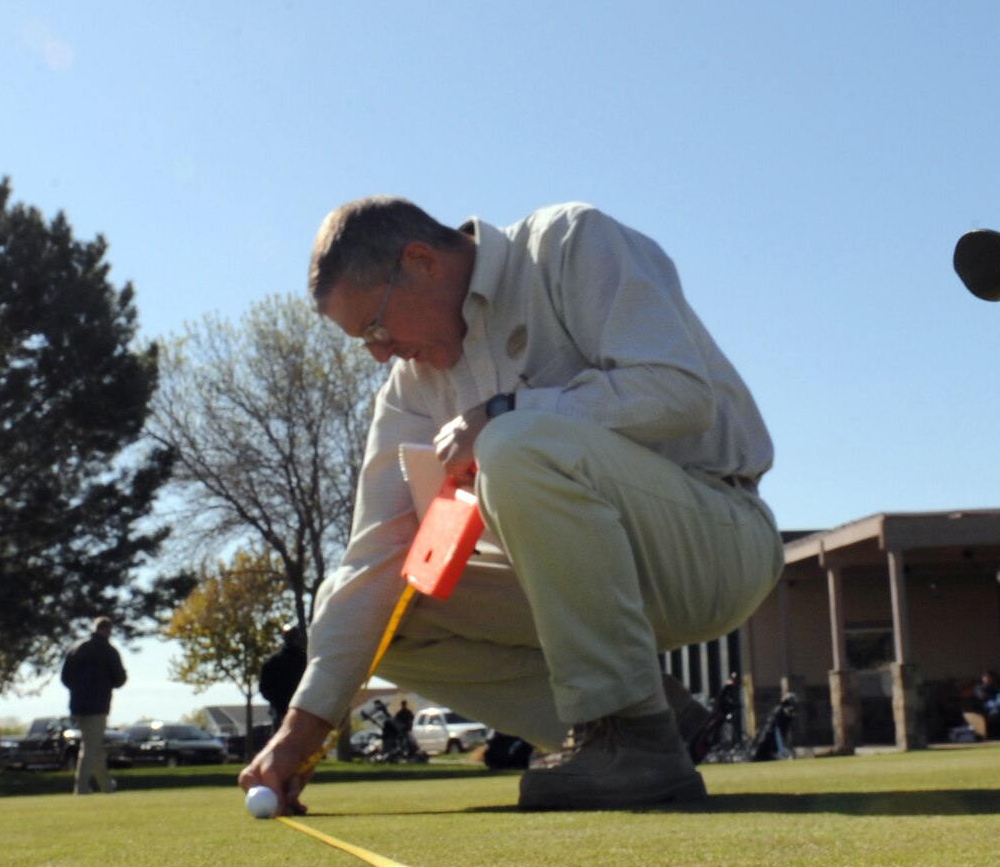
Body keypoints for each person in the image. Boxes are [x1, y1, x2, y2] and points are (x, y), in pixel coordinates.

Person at [240, 198, 783, 814]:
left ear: (420, 262)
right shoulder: (408, 393)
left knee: (511, 443)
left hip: (716, 542)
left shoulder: (569, 244)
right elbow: (376, 559)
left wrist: (505, 414)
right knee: (362, 608)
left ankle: (629, 731)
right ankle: (654, 721)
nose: (378, 354)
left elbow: (681, 394)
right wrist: (300, 732)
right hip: (571, 586)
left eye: (374, 328)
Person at [60, 615, 127, 795]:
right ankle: (81, 787)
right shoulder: (108, 650)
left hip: (77, 705)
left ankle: (107, 786)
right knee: (90, 747)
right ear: (107, 630)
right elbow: (120, 679)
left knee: (94, 746)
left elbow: (64, 678)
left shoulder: (75, 648)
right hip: (98, 705)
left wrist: (77, 690)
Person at [257, 624, 307, 729]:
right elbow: (264, 688)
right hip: (282, 712)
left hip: (302, 711)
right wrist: (279, 702)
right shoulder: (274, 662)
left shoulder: (306, 661)